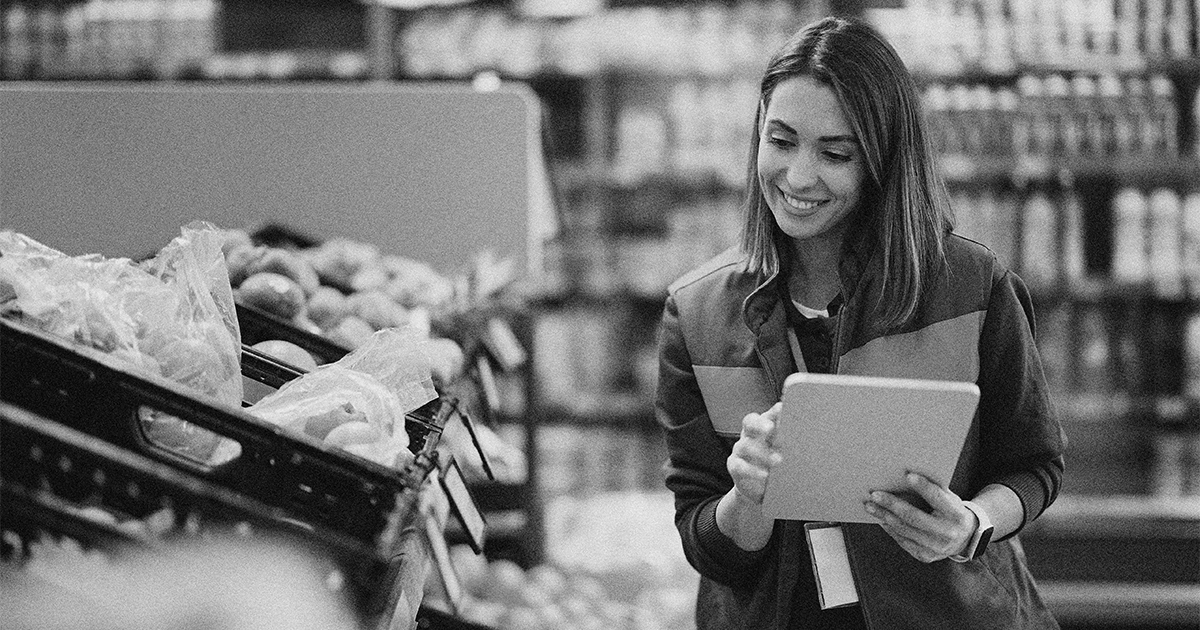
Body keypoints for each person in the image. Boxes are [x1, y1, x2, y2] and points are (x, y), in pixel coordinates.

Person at [655, 15, 1067, 630]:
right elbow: (705, 538)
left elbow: (1034, 466)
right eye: (781, 140)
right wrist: (747, 500)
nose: (798, 177)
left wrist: (971, 524)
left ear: (882, 161)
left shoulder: (971, 285)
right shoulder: (698, 311)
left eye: (835, 153)